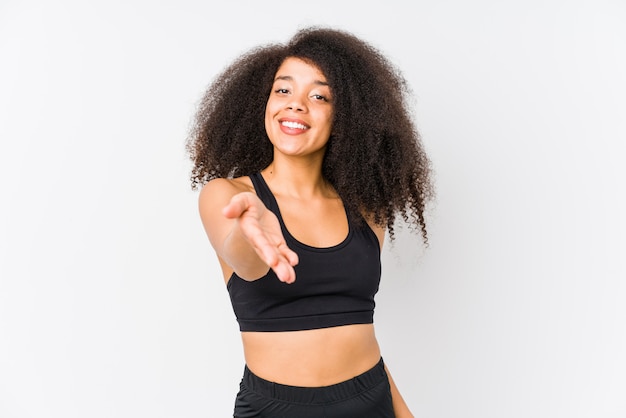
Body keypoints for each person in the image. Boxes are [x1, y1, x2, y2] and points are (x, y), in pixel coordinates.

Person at [186, 26, 434, 418]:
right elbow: (245, 260)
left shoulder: (367, 210)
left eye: (319, 96)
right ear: (262, 103)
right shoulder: (229, 195)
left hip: (371, 401)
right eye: (283, 90)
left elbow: (360, 336)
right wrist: (251, 232)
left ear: (345, 117)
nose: (296, 104)